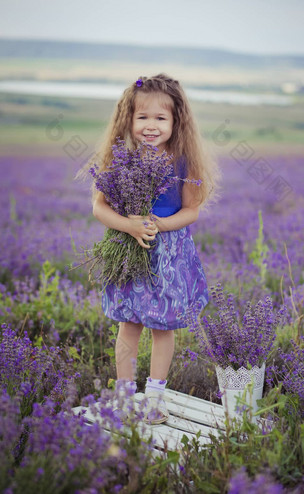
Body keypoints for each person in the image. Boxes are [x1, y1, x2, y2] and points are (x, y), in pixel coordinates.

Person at [76, 73, 219, 424]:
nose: (150, 126)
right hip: (128, 249)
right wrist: (130, 225)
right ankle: (125, 395)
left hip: (167, 255)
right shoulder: (120, 158)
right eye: (142, 117)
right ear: (129, 119)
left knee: (163, 327)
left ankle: (155, 397)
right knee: (128, 324)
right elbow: (100, 207)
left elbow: (191, 211)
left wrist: (159, 225)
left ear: (176, 121)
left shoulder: (183, 161)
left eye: (160, 118)